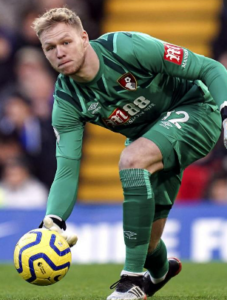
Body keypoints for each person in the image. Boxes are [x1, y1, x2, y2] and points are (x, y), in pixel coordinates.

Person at [32, 7, 227, 300]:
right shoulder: (66, 101)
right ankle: (159, 272)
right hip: (150, 136)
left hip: (196, 108)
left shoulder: (125, 48)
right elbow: (68, 168)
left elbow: (210, 68)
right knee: (146, 243)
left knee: (132, 160)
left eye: (65, 42)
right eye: (50, 47)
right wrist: (54, 220)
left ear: (84, 38)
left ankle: (130, 280)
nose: (59, 52)